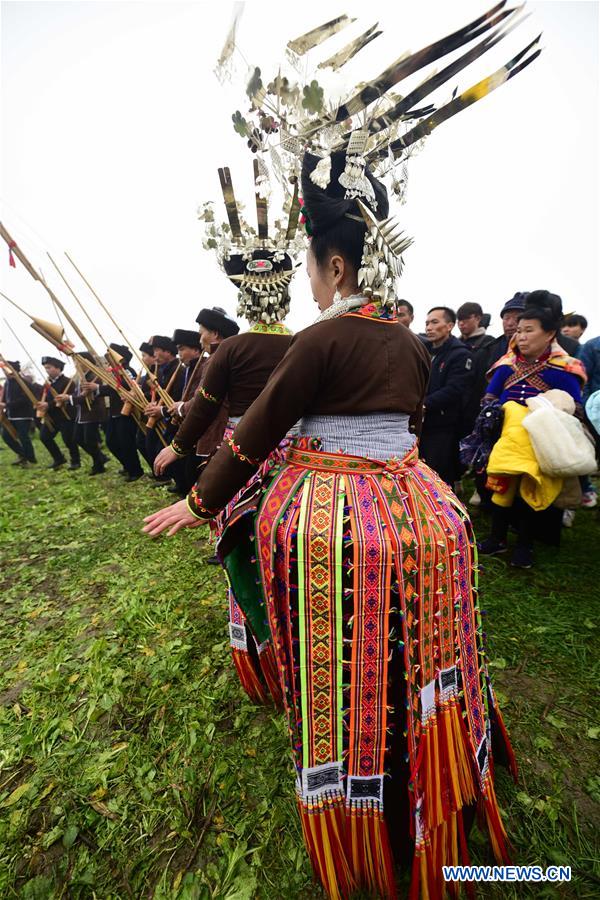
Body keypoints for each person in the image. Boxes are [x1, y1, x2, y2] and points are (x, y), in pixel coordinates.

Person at [144, 148, 515, 899]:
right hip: (422, 509)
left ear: (337, 269)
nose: (309, 287)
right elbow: (409, 422)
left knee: (353, 653)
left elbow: (254, 435)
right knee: (419, 647)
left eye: (313, 271)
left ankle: (363, 786)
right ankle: (438, 769)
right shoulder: (408, 341)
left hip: (336, 518)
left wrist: (197, 502)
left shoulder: (323, 338)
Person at [151, 174, 301, 704]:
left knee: (243, 549)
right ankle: (299, 638)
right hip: (302, 460)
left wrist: (179, 447)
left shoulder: (229, 353)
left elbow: (207, 409)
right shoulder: (305, 342)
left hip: (244, 456)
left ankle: (265, 647)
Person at [478, 291, 586, 568]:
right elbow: (489, 398)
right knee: (500, 489)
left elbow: (575, 408)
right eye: (520, 330)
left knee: (530, 491)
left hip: (541, 443)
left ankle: (525, 545)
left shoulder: (564, 370)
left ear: (549, 333)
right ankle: (497, 539)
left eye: (529, 330)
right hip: (505, 441)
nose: (521, 336)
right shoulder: (506, 365)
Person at [168, 310, 239, 495]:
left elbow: (204, 398)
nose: (200, 340)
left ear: (214, 334)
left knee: (204, 482)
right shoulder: (225, 355)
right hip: (217, 429)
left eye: (201, 334)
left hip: (217, 431)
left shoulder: (218, 359)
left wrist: (182, 408)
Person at [419, 306, 474, 485]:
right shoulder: (423, 350)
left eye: (435, 322)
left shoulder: (460, 354)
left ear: (449, 326)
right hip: (420, 424)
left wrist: (425, 405)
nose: (429, 327)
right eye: (427, 323)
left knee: (439, 475)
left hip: (443, 425)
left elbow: (455, 389)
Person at [56, 351, 109, 475]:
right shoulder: (82, 376)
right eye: (75, 362)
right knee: (78, 438)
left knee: (89, 440)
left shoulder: (94, 375)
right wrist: (69, 397)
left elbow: (88, 397)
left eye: (78, 362)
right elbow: (78, 394)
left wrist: (69, 399)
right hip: (83, 414)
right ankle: (100, 458)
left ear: (87, 362)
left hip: (92, 413)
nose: (76, 365)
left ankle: (98, 464)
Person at [144, 335, 185, 476]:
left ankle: (171, 478)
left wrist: (162, 410)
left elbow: (180, 398)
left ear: (167, 352)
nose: (154, 354)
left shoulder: (180, 370)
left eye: (156, 350)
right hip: (164, 415)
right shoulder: (162, 370)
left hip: (173, 417)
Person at [36, 356, 80, 471]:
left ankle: (75, 461)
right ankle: (59, 458)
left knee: (68, 440)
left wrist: (48, 405)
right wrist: (42, 403)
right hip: (52, 416)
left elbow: (63, 398)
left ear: (58, 368)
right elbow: (44, 396)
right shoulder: (47, 383)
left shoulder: (67, 382)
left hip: (65, 415)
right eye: (46, 368)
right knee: (44, 437)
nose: (47, 370)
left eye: (49, 367)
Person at [0, 361, 39, 465]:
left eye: (6, 370)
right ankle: (22, 454)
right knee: (6, 436)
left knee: (23, 437)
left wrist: (7, 405)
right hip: (10, 415)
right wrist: (2, 404)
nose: (5, 372)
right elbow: (4, 397)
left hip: (23, 415)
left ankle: (31, 458)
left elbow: (25, 399)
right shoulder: (7, 382)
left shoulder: (24, 383)